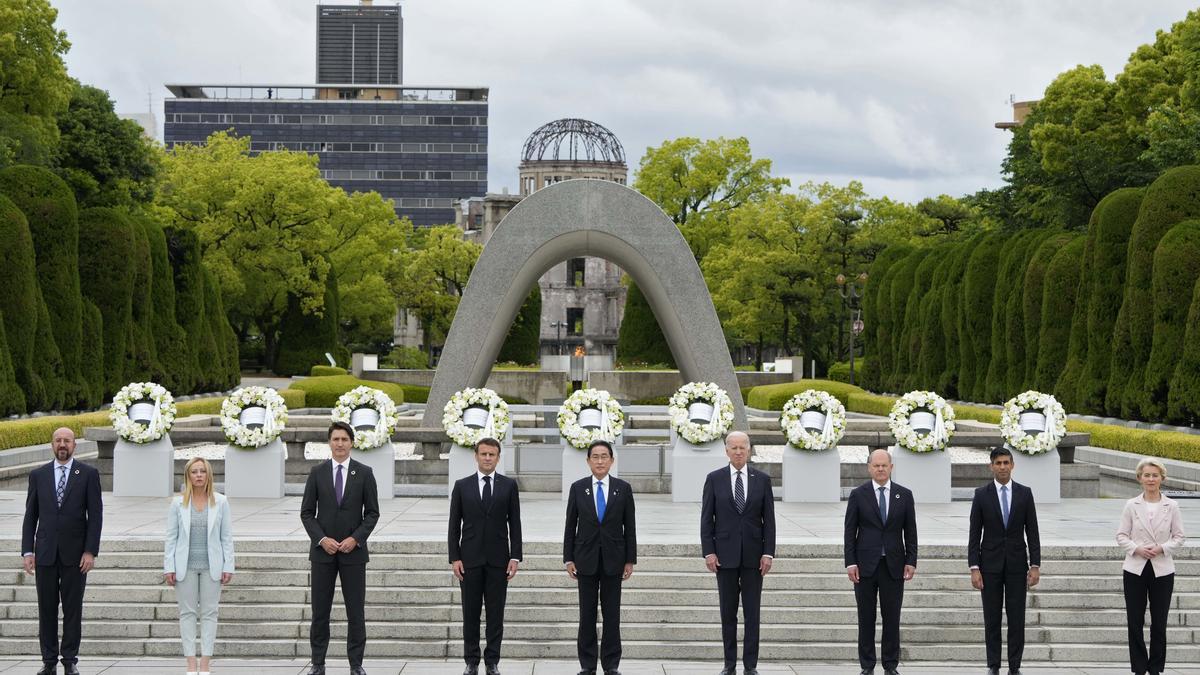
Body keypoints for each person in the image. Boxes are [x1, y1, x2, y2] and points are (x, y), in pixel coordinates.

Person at [300, 421, 380, 675]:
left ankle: (356, 664)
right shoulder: (317, 472)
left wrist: (355, 539)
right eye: (335, 439)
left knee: (355, 612)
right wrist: (322, 539)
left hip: (353, 554)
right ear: (329, 442)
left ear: (352, 443)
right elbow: (307, 513)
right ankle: (318, 663)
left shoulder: (364, 473)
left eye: (344, 439)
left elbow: (373, 513)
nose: (340, 444)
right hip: (323, 554)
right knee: (320, 612)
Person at [21, 427, 103, 675]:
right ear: (52, 445)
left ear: (74, 445)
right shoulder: (39, 475)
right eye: (58, 440)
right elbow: (30, 515)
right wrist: (27, 551)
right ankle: (48, 662)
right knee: (46, 609)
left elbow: (95, 516)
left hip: (75, 556)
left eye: (67, 440)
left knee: (72, 609)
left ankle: (69, 660)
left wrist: (90, 551)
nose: (62, 444)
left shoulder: (88, 474)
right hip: (45, 553)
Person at [700, 430, 776, 675]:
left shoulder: (762, 480)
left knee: (752, 614)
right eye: (733, 448)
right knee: (728, 613)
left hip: (755, 558)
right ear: (726, 451)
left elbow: (769, 521)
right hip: (725, 556)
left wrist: (768, 553)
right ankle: (729, 664)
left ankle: (750, 665)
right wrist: (709, 552)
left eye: (743, 447)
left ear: (749, 450)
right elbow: (706, 520)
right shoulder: (715, 479)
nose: (738, 451)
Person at [449, 437, 523, 675]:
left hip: (498, 561)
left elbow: (515, 523)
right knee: (470, 614)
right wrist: (455, 557)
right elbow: (454, 525)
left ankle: (492, 661)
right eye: (484, 454)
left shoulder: (509, 486)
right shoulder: (462, 486)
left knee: (495, 615)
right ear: (476, 456)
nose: (488, 458)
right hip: (469, 561)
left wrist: (515, 557)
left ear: (498, 458)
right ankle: (471, 661)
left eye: (492, 455)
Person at [563, 440, 637, 675]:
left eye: (604, 456)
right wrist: (568, 558)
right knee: (587, 615)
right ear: (588, 461)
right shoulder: (578, 488)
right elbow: (570, 526)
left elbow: (630, 527)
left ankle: (611, 664)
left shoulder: (622, 488)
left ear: (612, 460)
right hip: (585, 559)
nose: (600, 461)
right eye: (595, 456)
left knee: (611, 615)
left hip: (614, 561)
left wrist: (630, 559)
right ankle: (587, 665)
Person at [968, 446, 1041, 675]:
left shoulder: (1025, 493)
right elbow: (974, 534)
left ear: (1012, 465)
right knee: (992, 618)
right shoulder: (981, 494)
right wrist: (974, 567)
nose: (1002, 467)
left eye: (1006, 463)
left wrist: (1035, 565)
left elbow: (1033, 531)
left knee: (1016, 618)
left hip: (1017, 566)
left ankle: (1014, 666)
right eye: (998, 463)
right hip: (989, 566)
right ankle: (993, 665)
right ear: (991, 466)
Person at [844, 449, 917, 675]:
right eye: (876, 465)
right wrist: (850, 562)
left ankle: (890, 665)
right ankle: (867, 665)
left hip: (893, 566)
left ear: (891, 467)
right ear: (869, 468)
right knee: (866, 618)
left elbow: (911, 532)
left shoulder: (904, 495)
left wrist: (911, 560)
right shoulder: (859, 494)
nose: (880, 469)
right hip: (865, 567)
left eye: (884, 465)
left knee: (892, 618)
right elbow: (849, 532)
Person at [163, 457, 235, 675]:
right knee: (187, 613)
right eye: (194, 472)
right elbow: (171, 537)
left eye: (202, 471)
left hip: (212, 566)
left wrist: (228, 565)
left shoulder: (221, 502)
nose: (199, 475)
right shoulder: (177, 503)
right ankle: (190, 663)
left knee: (210, 613)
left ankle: (205, 663)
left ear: (209, 474)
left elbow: (226, 537)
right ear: (188, 475)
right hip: (185, 567)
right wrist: (169, 566)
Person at [1117, 458, 1185, 675]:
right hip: (1135, 568)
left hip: (1162, 568)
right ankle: (1139, 667)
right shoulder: (1131, 504)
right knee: (1134, 621)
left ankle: (1155, 667)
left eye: (1155, 475)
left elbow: (1180, 536)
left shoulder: (1172, 506)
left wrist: (1162, 548)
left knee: (1159, 622)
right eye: (1147, 475)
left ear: (1162, 478)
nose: (1151, 479)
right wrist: (1136, 548)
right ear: (1140, 478)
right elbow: (1121, 535)